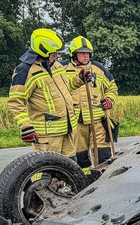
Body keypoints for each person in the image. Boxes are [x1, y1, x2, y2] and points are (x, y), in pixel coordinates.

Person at [7, 29, 92, 159]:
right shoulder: (25, 70)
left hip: (67, 131)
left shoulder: (55, 65)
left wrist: (79, 79)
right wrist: (26, 127)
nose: (57, 55)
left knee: (70, 172)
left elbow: (66, 87)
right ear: (43, 49)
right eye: (54, 52)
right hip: (47, 138)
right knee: (46, 174)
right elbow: (15, 102)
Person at [65, 36, 119, 173]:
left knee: (103, 155)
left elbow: (112, 88)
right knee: (80, 158)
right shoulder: (63, 70)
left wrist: (109, 100)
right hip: (76, 123)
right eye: (82, 52)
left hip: (98, 121)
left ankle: (103, 181)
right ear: (73, 53)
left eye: (88, 53)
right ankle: (83, 183)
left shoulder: (98, 69)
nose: (85, 55)